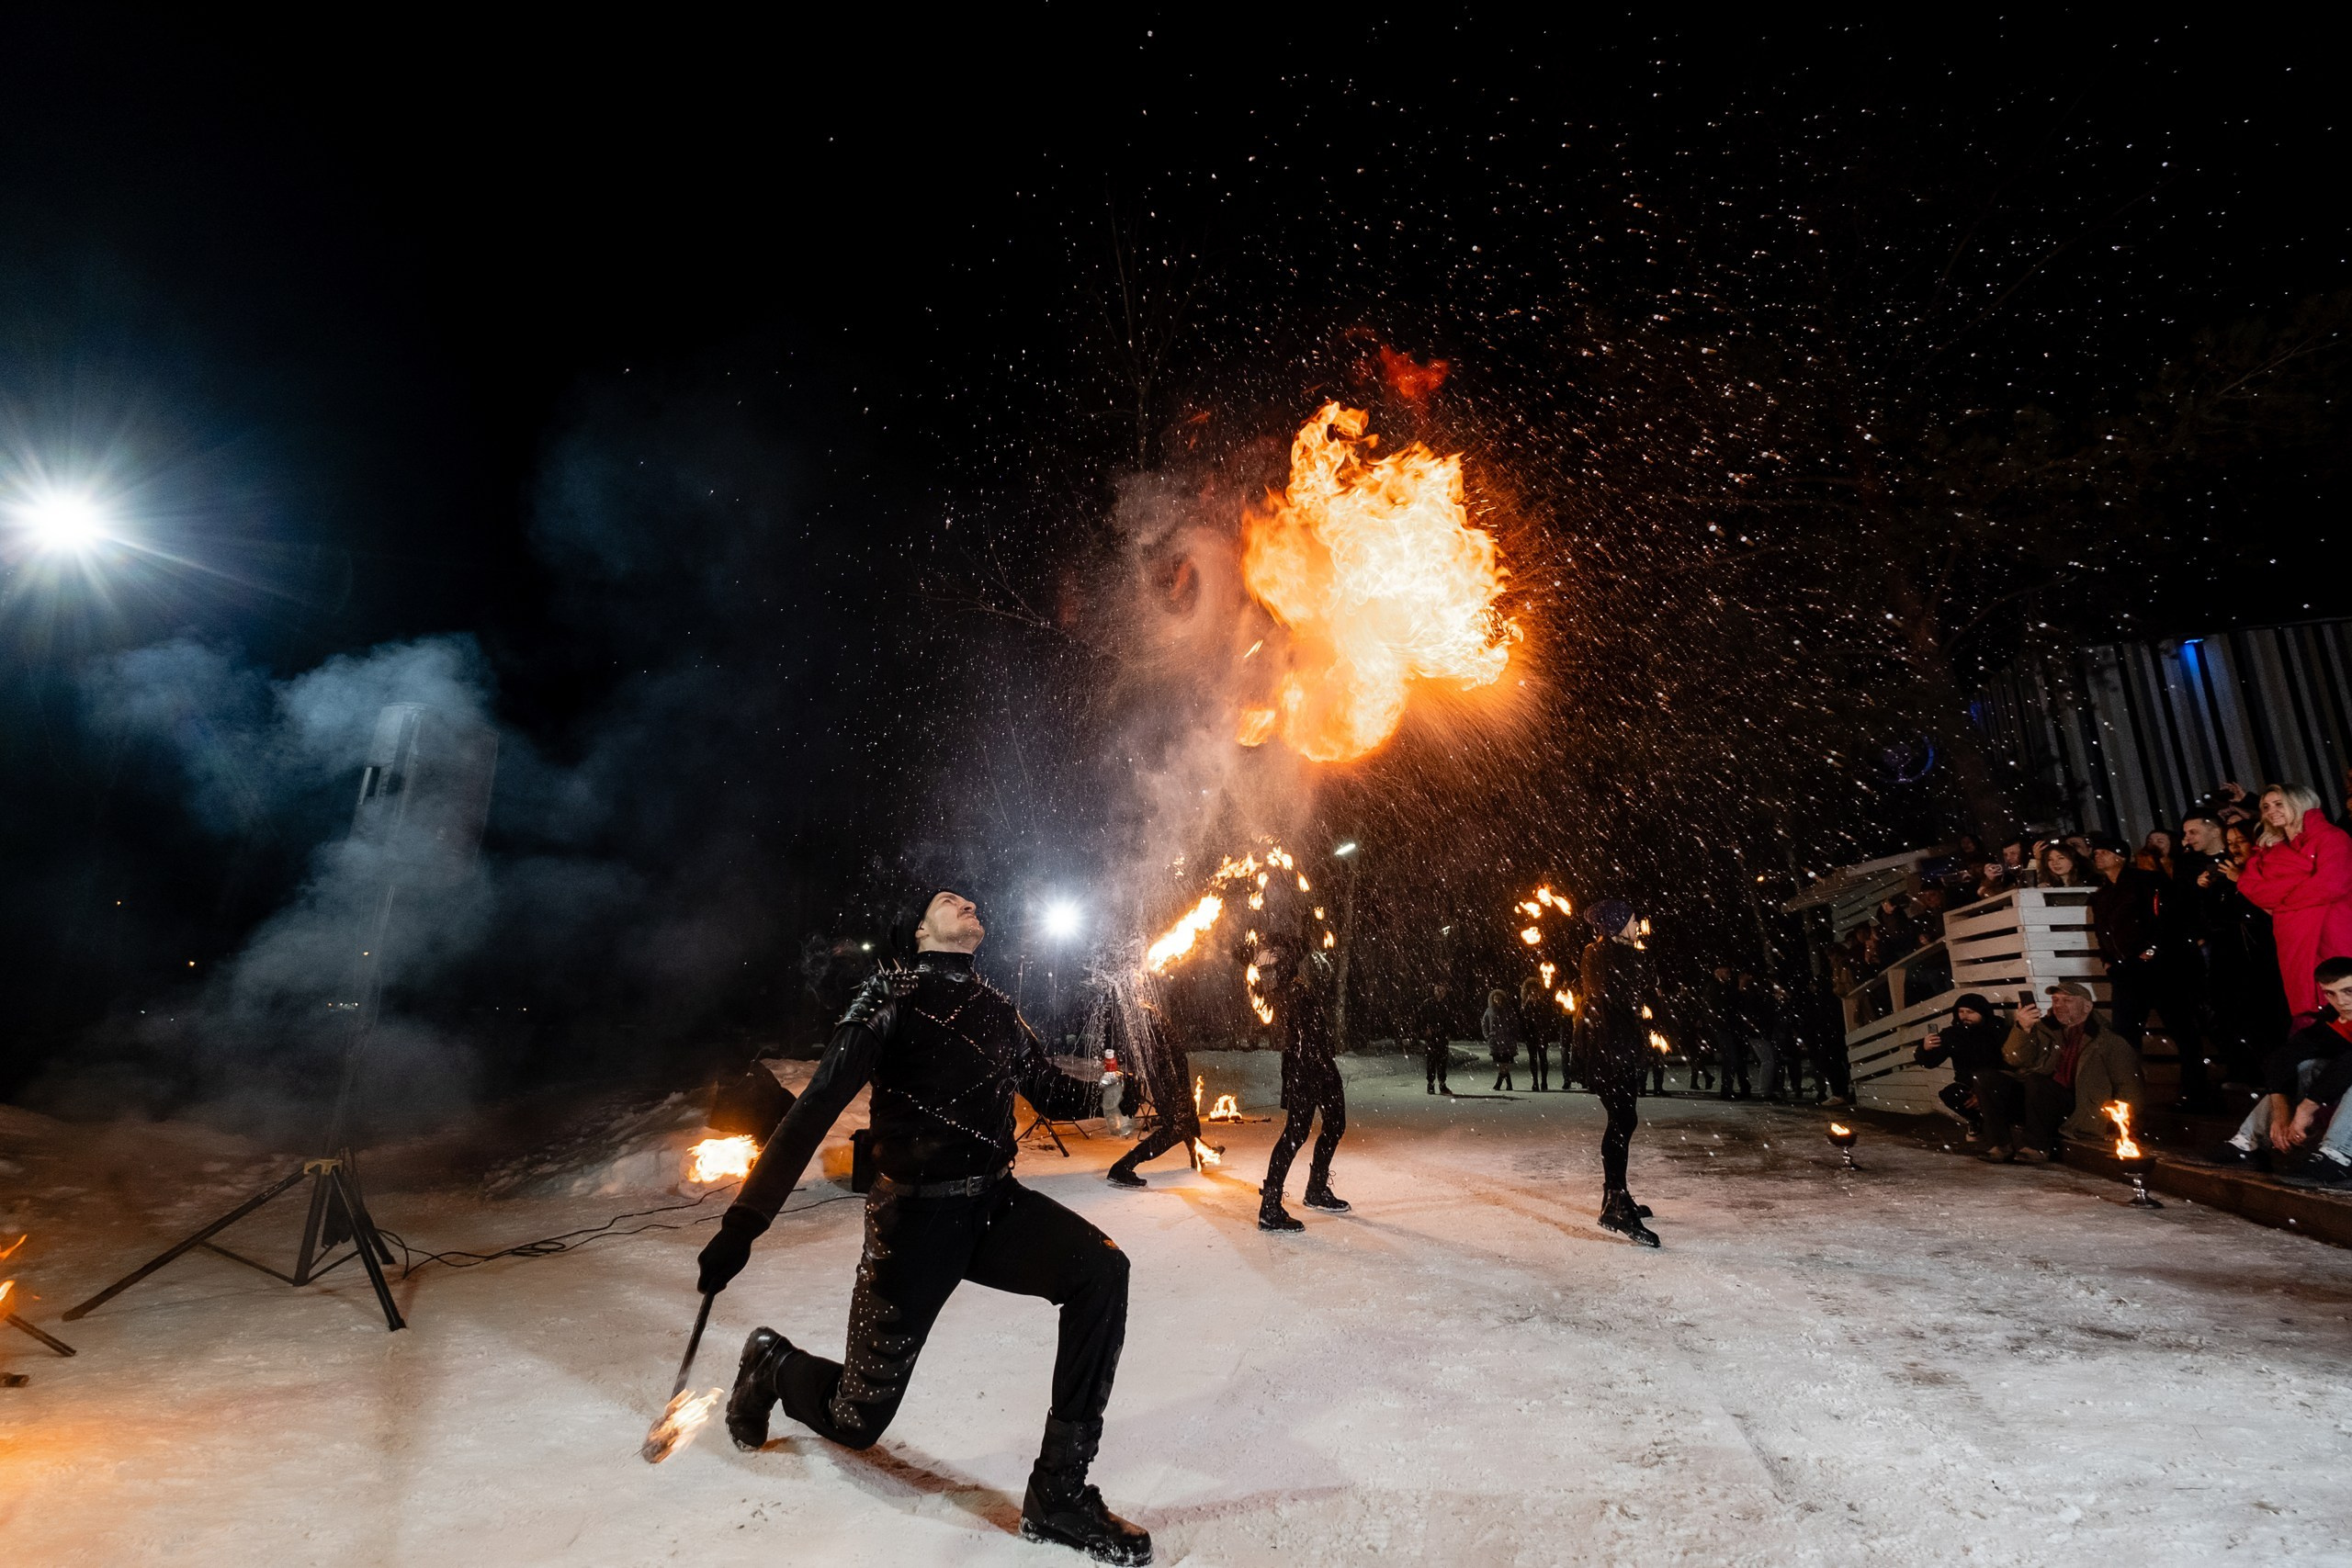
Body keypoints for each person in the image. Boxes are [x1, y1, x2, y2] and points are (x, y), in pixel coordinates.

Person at [697, 889, 1150, 1565]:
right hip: (913, 1223)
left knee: (1102, 1271)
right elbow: (816, 1106)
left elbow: (1051, 1092)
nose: (967, 901)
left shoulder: (997, 1009)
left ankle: (1058, 1492)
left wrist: (1112, 1092)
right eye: (948, 899)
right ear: (918, 932)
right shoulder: (889, 998)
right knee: (856, 1419)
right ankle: (772, 1362)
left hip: (994, 1207)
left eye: (970, 898)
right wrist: (744, 1221)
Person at [2089, 833, 2214, 1111]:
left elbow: (2166, 918)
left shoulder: (2145, 882)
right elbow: (2104, 931)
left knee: (2181, 1027)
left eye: (2104, 851)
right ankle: (2129, 1096)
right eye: (2096, 852)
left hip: (2160, 967)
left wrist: (2152, 950)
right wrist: (2108, 959)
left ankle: (2196, 1093)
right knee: (2125, 1035)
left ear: (2120, 855)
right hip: (2125, 970)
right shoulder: (2102, 894)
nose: (2098, 855)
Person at [1572, 898, 1662, 1246]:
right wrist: (1639, 965)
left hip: (1613, 1045)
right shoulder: (1608, 954)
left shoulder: (1607, 953)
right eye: (1632, 920)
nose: (1637, 924)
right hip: (1611, 1047)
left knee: (1624, 1119)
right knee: (1622, 1120)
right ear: (1616, 925)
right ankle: (1615, 1204)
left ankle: (1616, 1195)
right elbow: (1622, 994)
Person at [1978, 981, 2145, 1164]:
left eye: (2068, 1000)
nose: (2059, 1006)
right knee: (1987, 1078)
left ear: (2087, 1006)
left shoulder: (2108, 1041)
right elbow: (2014, 1059)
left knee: (2037, 1082)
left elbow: (2129, 1084)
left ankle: (2036, 1148)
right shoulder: (2044, 1029)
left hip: (2077, 1107)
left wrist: (2122, 1126)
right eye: (2055, 1000)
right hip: (2035, 1101)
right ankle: (1999, 1145)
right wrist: (2023, 1028)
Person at [2211, 957, 2352, 1171]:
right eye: (2330, 994)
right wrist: (2281, 1112)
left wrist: (2306, 1109)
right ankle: (2249, 1142)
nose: (2340, 1001)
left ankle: (2339, 1152)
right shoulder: (2336, 1018)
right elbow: (2283, 1058)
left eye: (2349, 991)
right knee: (2306, 1066)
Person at [2237, 784, 2352, 1019]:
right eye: (2266, 806)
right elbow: (2249, 887)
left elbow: (2332, 884)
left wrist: (2282, 905)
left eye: (2279, 804)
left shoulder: (2332, 837)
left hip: (2334, 927)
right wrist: (2305, 884)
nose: (2271, 811)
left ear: (2300, 803)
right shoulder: (2266, 851)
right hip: (2292, 935)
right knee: (2310, 1001)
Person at [1259, 941, 1350, 1232]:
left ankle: (1316, 1189)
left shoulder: (1298, 988)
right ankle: (1269, 1207)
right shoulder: (1288, 993)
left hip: (1322, 1066)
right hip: (1304, 1070)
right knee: (1294, 1135)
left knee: (1336, 1124)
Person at [1103, 996, 1199, 1190]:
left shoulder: (1147, 1012)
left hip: (1175, 1075)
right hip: (1169, 1080)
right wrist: (1168, 1090)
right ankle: (1124, 1166)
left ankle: (1199, 1153)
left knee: (1188, 1114)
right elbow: (1154, 1057)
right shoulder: (1142, 1016)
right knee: (1176, 1128)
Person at [1914, 993, 2008, 1139]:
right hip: (1969, 1085)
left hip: (1997, 1082)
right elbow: (1931, 1062)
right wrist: (1925, 1049)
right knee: (1950, 1094)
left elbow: (2008, 1063)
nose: (1965, 1016)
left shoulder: (1998, 1030)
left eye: (1970, 1012)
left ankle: (1999, 1128)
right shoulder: (1953, 1034)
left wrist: (1984, 1095)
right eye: (1961, 1011)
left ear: (1982, 1013)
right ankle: (1977, 1120)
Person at [1413, 979, 1455, 1096]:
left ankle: (1442, 1084)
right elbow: (1419, 1018)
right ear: (1434, 991)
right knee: (1431, 1060)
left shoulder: (1447, 1005)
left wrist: (1449, 1032)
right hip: (1431, 1037)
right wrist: (1425, 1029)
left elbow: (1450, 1021)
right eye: (1438, 990)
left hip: (1442, 1037)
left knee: (1442, 1061)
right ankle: (1430, 1084)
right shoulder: (1428, 1003)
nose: (1440, 992)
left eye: (1442, 990)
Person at [1519, 975, 1553, 1091]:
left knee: (1543, 1058)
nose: (1533, 991)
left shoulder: (1544, 1002)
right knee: (1533, 1058)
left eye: (1535, 989)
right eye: (1531, 989)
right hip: (1531, 1034)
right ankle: (1535, 1082)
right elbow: (1523, 1017)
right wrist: (1528, 1003)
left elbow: (1547, 1017)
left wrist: (1539, 1004)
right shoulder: (1525, 1002)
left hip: (1542, 1033)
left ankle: (1544, 1082)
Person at [1482, 987, 1521, 1090]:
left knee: (1505, 1062)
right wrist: (1487, 1035)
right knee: (1501, 1063)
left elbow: (1515, 1023)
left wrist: (1513, 1034)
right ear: (1492, 999)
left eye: (1499, 999)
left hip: (1507, 1041)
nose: (1498, 1001)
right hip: (1495, 1041)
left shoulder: (1508, 1010)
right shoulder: (1489, 1011)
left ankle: (1499, 1083)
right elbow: (1484, 1023)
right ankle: (1508, 1084)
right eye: (1496, 999)